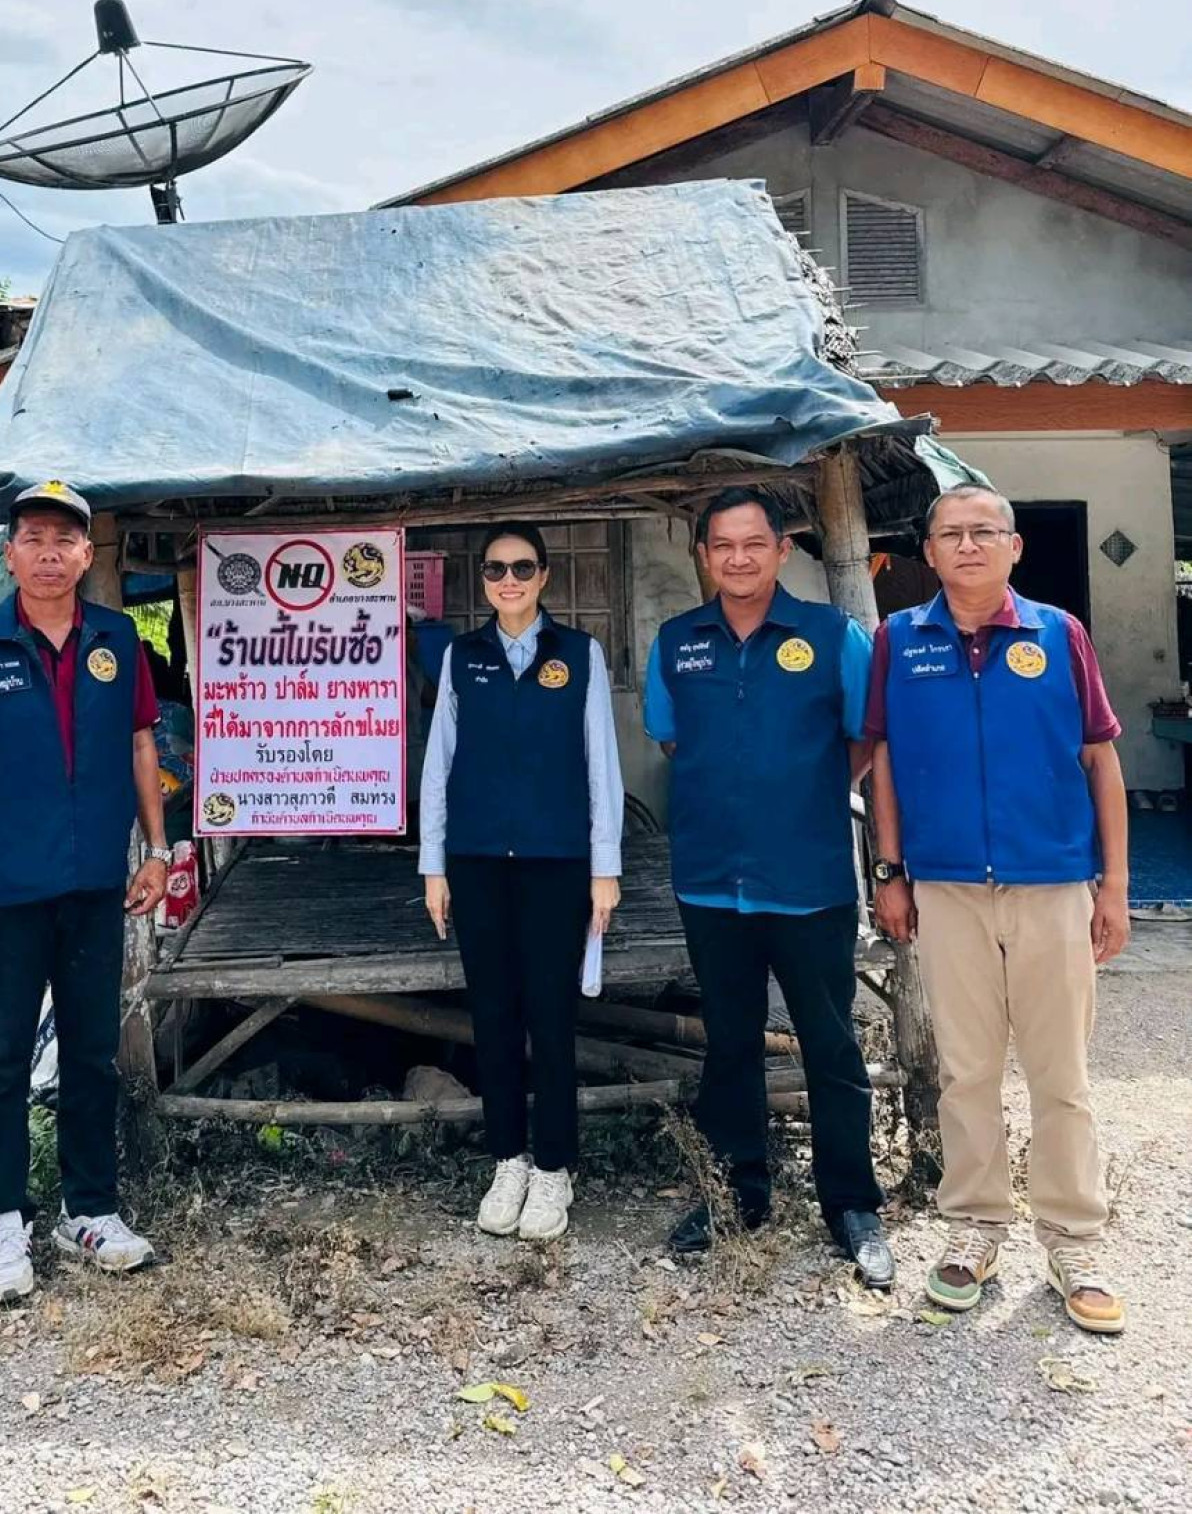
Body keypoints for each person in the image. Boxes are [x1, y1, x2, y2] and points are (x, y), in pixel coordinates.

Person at [867, 483, 1130, 1334]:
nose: (969, 545)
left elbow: (1101, 760)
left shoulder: (1059, 634)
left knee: (1061, 1073)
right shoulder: (899, 640)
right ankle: (975, 1227)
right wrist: (889, 871)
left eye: (986, 531)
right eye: (951, 533)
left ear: (1015, 547)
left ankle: (1074, 1239)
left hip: (1052, 883)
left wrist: (1114, 886)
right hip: (946, 888)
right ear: (929, 552)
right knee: (968, 1069)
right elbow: (885, 762)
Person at [0, 481, 171, 1304]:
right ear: (10, 554)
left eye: (65, 540)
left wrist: (157, 851)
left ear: (86, 554)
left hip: (96, 885)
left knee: (92, 1052)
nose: (50, 554)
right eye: (33, 539)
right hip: (6, 892)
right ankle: (5, 1219)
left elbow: (141, 745)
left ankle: (89, 1209)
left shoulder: (117, 639)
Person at [644, 488, 892, 1288]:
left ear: (783, 550)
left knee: (831, 1042)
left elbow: (864, 737)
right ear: (704, 555)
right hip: (712, 881)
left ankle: (852, 1205)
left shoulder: (831, 634)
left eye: (755, 543)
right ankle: (739, 1196)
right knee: (729, 1044)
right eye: (723, 545)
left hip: (809, 879)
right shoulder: (678, 642)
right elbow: (674, 740)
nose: (739, 558)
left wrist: (803, 794)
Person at [418, 524, 622, 1242]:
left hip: (556, 862)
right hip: (475, 861)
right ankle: (508, 1159)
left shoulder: (579, 654)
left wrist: (605, 868)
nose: (509, 580)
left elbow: (601, 762)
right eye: (496, 569)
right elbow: (439, 763)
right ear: (483, 580)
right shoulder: (461, 656)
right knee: (493, 1016)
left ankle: (555, 1166)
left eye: (522, 568)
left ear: (544, 577)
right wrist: (433, 865)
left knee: (551, 1015)